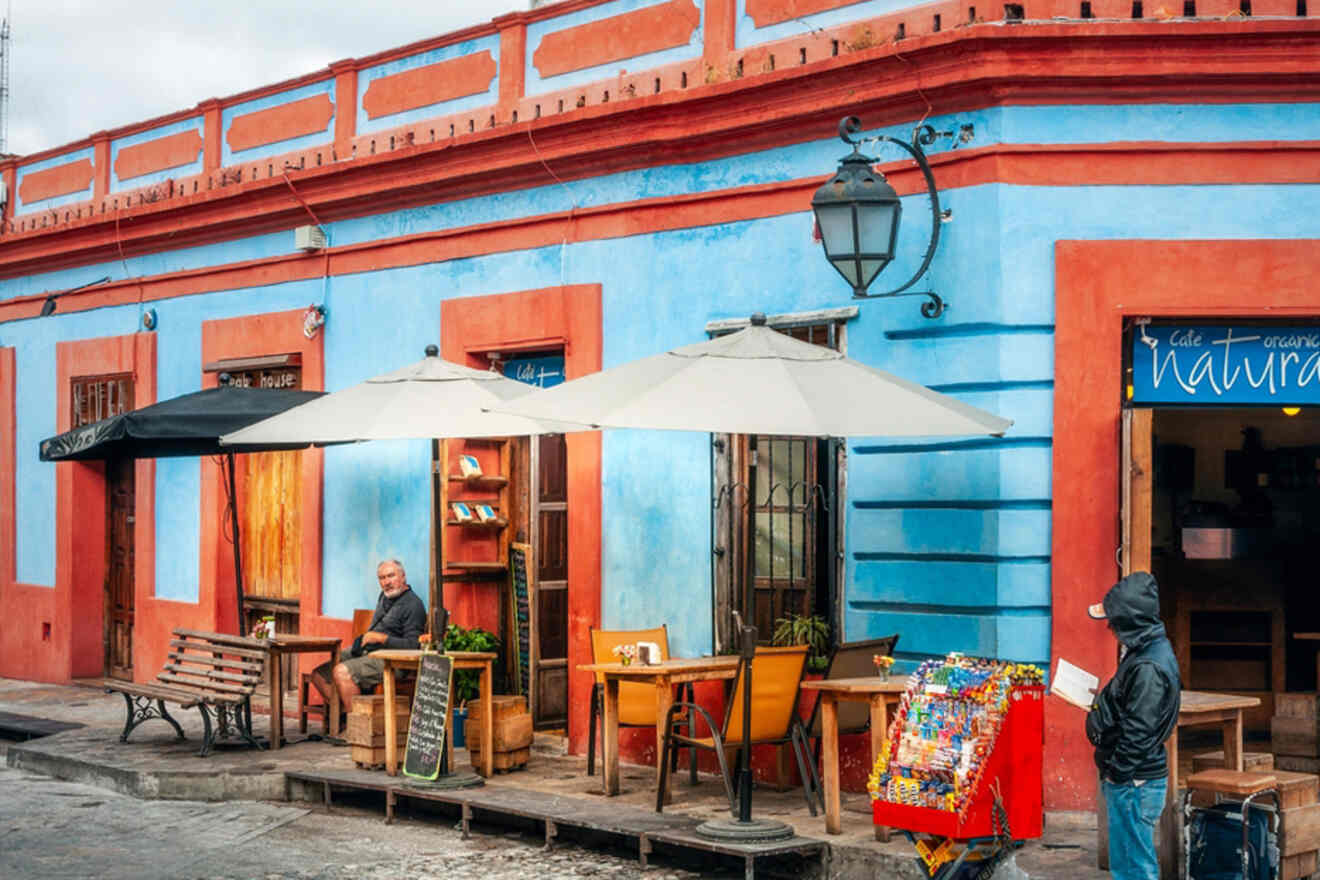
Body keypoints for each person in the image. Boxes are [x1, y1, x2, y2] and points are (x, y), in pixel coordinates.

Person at [1085, 571, 1182, 880]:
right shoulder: (1144, 652)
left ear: (1129, 623)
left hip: (1134, 782)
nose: (1110, 628)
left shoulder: (1149, 667)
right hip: (1132, 780)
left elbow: (1138, 732)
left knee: (1135, 869)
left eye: (1114, 621)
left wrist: (1117, 775)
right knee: (1128, 865)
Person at [311, 559, 427, 715]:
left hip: (392, 661)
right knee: (319, 674)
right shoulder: (385, 597)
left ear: (403, 576)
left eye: (391, 576)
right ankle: (346, 717)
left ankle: (356, 726)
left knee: (341, 672)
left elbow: (414, 646)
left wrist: (382, 639)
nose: (386, 582)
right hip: (368, 651)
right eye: (382, 578)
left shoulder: (413, 605)